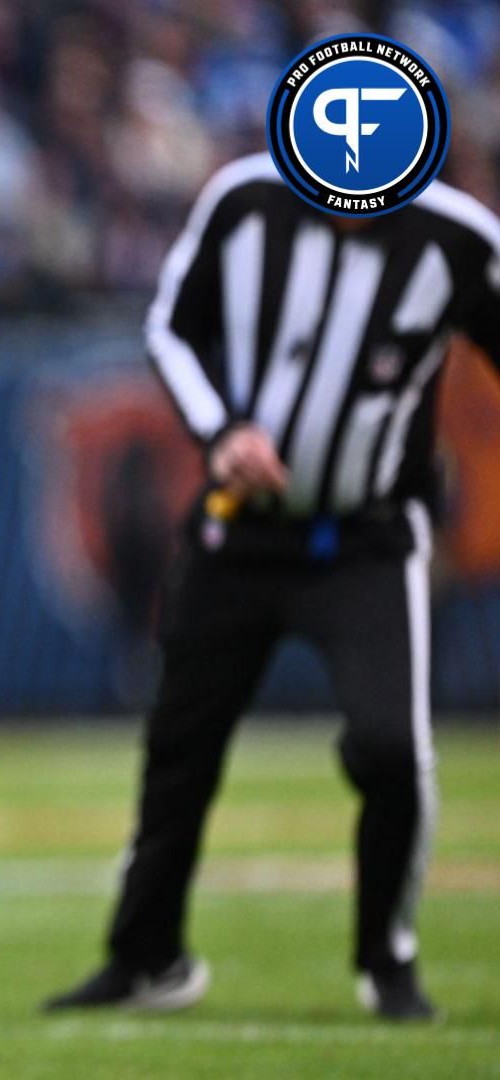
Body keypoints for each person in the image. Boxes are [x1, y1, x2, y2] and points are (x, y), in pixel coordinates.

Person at [44, 152, 500, 1022]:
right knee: (180, 747)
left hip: (368, 538)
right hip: (239, 530)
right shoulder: (247, 201)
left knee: (392, 748)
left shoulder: (459, 240)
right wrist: (220, 432)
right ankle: (147, 957)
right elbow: (170, 329)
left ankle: (387, 959)